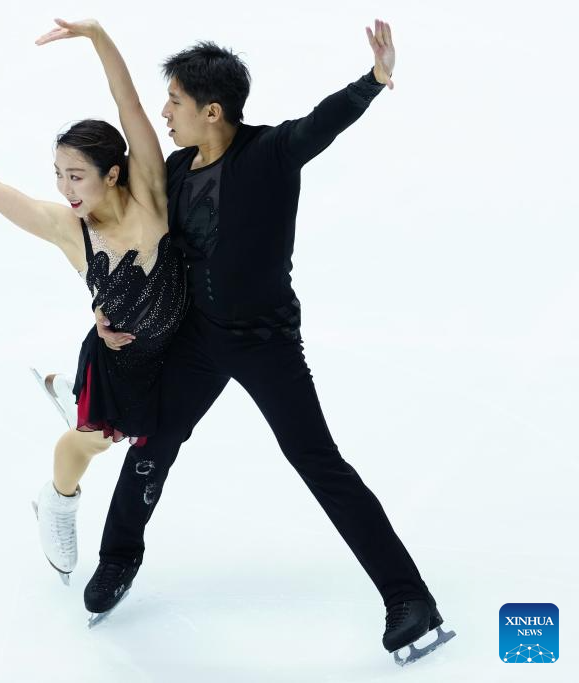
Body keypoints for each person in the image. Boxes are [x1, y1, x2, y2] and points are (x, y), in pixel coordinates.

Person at [83, 19, 454, 663]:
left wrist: (374, 79)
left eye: (176, 101)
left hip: (265, 342)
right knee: (155, 440)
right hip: (197, 337)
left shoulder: (270, 153)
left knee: (317, 461)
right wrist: (104, 306)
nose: (166, 113)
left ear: (212, 111)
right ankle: (118, 558)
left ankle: (408, 598)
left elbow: (322, 122)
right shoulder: (176, 169)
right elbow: (133, 236)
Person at [0, 19, 187, 585]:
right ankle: (57, 502)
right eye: (59, 175)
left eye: (77, 176)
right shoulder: (69, 230)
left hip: (177, 349)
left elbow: (129, 104)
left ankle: (68, 393)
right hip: (118, 364)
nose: (65, 189)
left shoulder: (151, 194)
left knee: (145, 433)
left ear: (114, 173)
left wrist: (98, 36)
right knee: (91, 443)